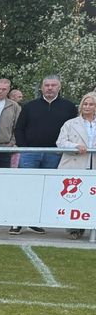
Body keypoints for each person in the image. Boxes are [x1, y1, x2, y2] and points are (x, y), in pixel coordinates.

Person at [10, 75, 77, 235]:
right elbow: (19, 129)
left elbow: (73, 131)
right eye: (46, 85)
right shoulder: (30, 106)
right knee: (26, 187)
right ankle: (17, 221)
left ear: (59, 88)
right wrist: (25, 148)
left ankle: (35, 221)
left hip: (54, 154)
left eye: (53, 85)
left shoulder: (68, 107)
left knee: (45, 190)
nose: (50, 88)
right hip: (30, 154)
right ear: (42, 87)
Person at [54, 91, 96, 240]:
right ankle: (74, 228)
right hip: (75, 164)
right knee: (74, 197)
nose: (87, 106)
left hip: (93, 166)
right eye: (85, 103)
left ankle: (90, 227)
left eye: (91, 104)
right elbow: (60, 142)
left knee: (91, 199)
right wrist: (75, 146)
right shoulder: (70, 123)